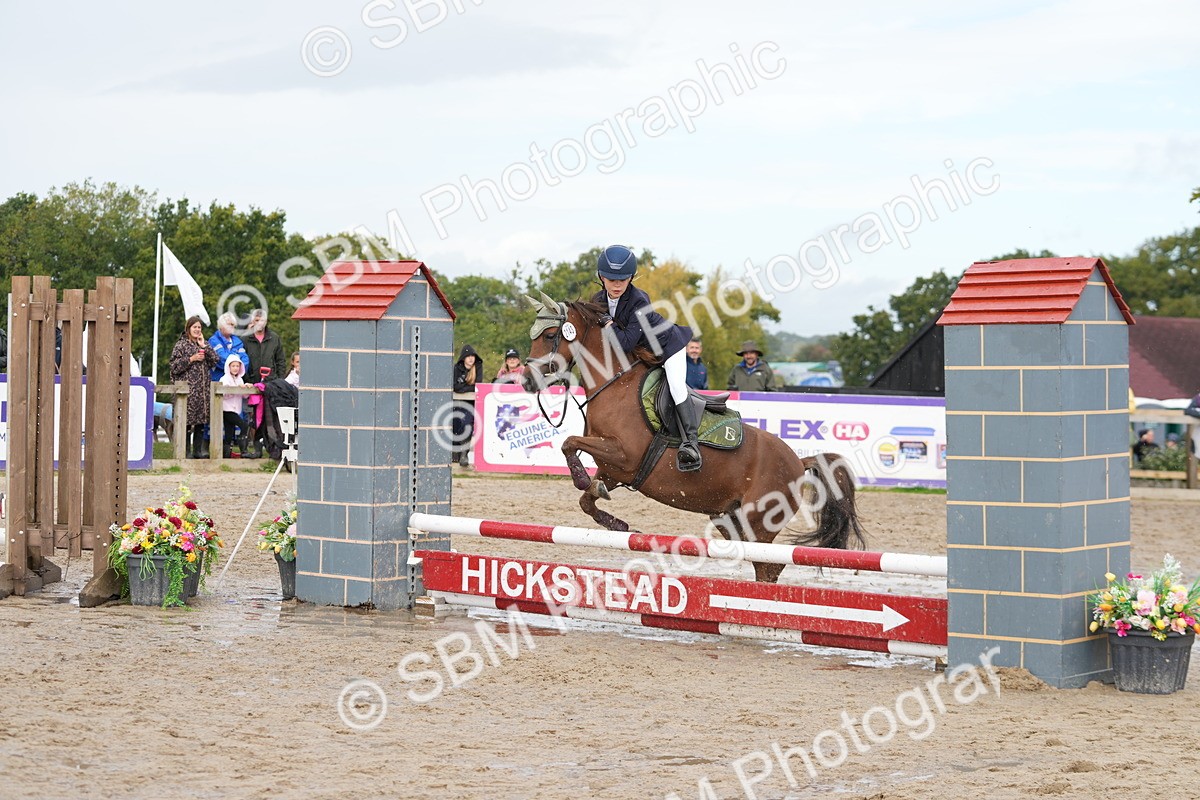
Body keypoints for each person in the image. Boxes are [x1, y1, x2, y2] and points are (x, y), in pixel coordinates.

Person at [590, 244, 700, 471]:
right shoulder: (598, 299)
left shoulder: (639, 300)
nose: (617, 285)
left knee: (676, 387)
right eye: (611, 279)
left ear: (631, 278)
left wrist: (608, 323)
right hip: (643, 353)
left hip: (668, 347)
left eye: (623, 279)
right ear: (601, 277)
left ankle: (691, 444)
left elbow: (626, 343)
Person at [169, 316, 218, 458]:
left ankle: (197, 451)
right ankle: (185, 451)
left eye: (199, 327)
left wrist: (205, 347)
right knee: (186, 422)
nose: (197, 330)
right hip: (188, 391)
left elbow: (215, 360)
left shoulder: (204, 344)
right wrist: (191, 359)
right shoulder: (181, 345)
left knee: (201, 422)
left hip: (202, 391)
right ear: (188, 328)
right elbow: (174, 367)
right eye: (194, 327)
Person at [243, 309, 287, 458]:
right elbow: (241, 359)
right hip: (251, 384)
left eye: (261, 320)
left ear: (266, 321)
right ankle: (255, 449)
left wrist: (279, 381)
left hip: (271, 385)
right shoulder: (246, 339)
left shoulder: (274, 338)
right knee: (254, 418)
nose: (259, 323)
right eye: (256, 320)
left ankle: (274, 449)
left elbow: (280, 361)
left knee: (271, 418)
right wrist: (247, 380)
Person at [452, 344, 483, 467]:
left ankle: (464, 453)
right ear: (463, 358)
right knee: (455, 424)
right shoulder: (456, 368)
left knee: (467, 424)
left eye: (473, 356)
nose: (471, 358)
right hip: (457, 402)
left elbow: (478, 385)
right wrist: (467, 387)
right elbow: (455, 386)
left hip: (471, 404)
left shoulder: (478, 367)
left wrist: (463, 388)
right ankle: (456, 453)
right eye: (468, 356)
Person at [219, 354, 249, 458]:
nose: (235, 368)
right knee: (244, 426)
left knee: (229, 432)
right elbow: (223, 395)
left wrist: (246, 388)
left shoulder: (240, 379)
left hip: (236, 409)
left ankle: (226, 455)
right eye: (233, 366)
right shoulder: (224, 379)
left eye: (237, 366)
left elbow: (244, 396)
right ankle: (243, 450)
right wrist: (236, 388)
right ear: (228, 367)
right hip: (226, 409)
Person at [207, 312, 250, 382]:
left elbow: (245, 360)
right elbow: (221, 359)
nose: (231, 326)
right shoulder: (214, 340)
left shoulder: (238, 342)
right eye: (228, 324)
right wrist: (237, 361)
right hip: (217, 380)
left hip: (235, 381)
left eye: (232, 325)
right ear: (221, 326)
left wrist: (236, 367)